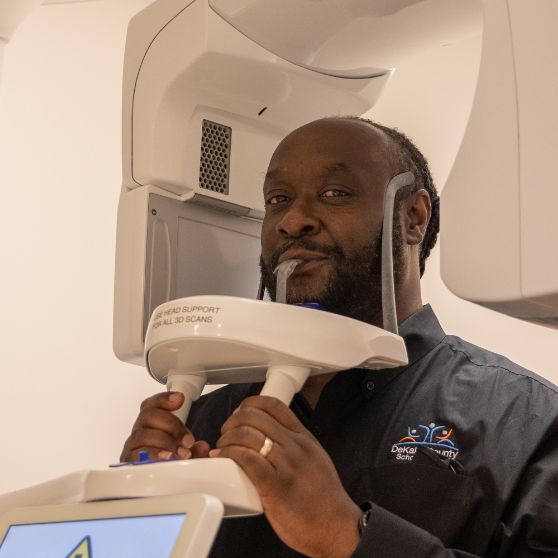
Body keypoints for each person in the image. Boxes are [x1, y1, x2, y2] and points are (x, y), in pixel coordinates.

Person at [121, 117, 558, 557]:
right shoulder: (207, 422)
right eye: (278, 199)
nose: (293, 221)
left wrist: (346, 535)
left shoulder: (527, 421)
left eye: (335, 194)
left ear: (412, 217)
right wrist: (139, 521)